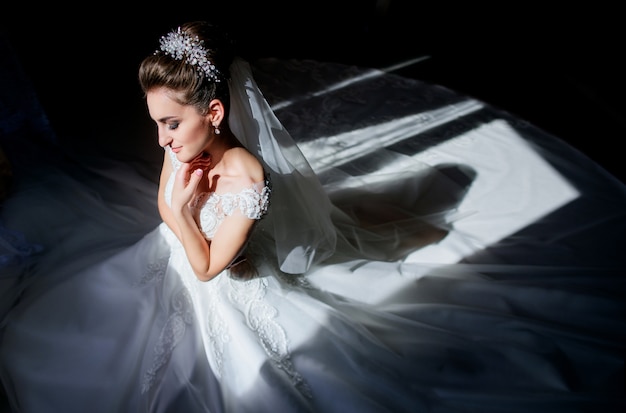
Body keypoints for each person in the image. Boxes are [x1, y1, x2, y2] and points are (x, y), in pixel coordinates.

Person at [2, 20, 624, 413]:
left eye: (171, 123)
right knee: (66, 334)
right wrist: (177, 205)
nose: (162, 140)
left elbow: (212, 268)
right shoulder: (182, 148)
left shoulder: (247, 175)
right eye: (156, 123)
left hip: (230, 287)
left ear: (215, 113)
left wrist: (172, 208)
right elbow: (182, 240)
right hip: (167, 264)